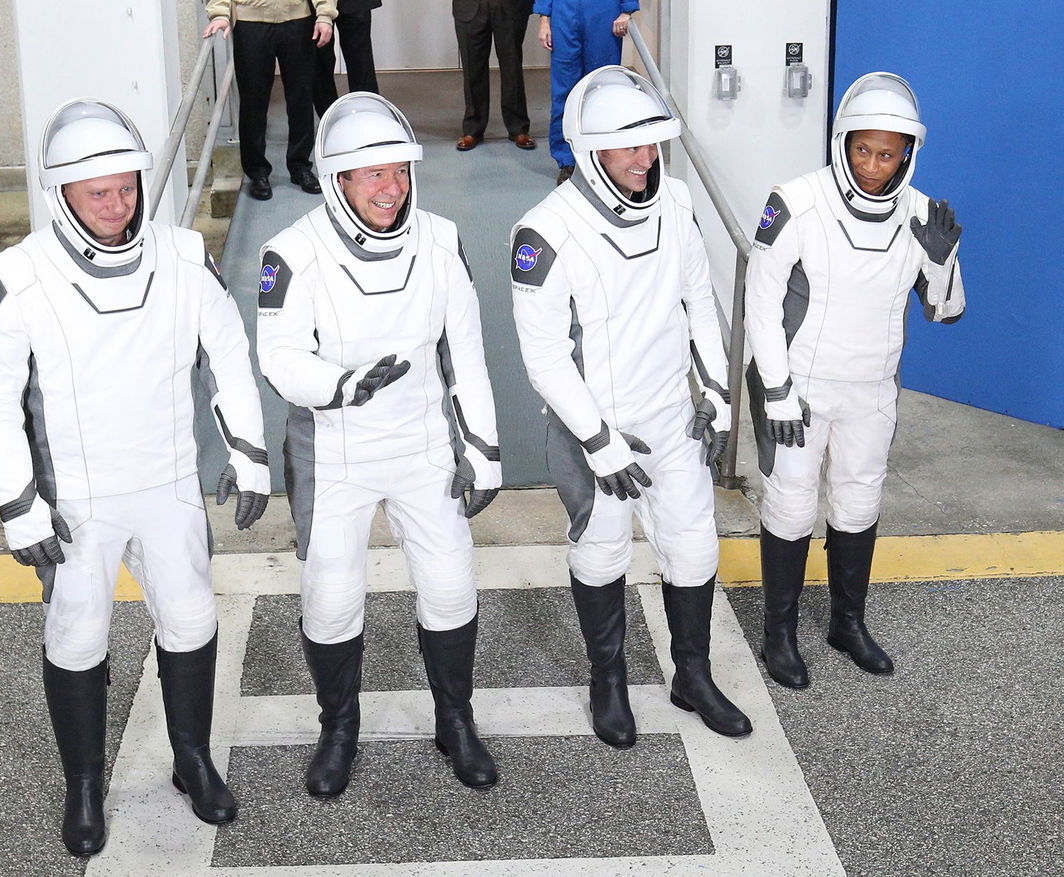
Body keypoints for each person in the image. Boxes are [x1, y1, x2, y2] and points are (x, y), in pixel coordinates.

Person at [0, 99, 270, 856]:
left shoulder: (183, 255)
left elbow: (226, 350)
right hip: (76, 502)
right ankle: (86, 784)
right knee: (77, 632)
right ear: (60, 192)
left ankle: (191, 760)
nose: (116, 202)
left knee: (192, 618)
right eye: (96, 191)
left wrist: (250, 449)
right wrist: (19, 505)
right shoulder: (14, 277)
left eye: (126, 185)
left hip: (166, 480)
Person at [255, 92, 503, 797]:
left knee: (452, 587)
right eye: (372, 175)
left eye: (398, 171)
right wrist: (344, 384)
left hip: (424, 443)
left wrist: (482, 447)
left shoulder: (443, 237)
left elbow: (468, 353)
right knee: (332, 598)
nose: (391, 189)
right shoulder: (291, 252)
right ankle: (339, 727)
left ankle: (455, 720)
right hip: (336, 450)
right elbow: (278, 357)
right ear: (337, 181)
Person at [510, 66, 752, 744]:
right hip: (600, 432)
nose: (647, 159)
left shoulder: (674, 200)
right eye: (631, 146)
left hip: (674, 414)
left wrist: (715, 392)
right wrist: (598, 439)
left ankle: (693, 675)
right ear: (591, 150)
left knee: (694, 545)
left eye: (653, 143)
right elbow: (545, 356)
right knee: (602, 551)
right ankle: (607, 680)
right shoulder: (543, 232)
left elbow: (698, 303)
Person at [745, 72, 965, 689]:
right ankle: (779, 633)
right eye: (861, 150)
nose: (872, 165)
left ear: (908, 154)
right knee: (789, 504)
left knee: (859, 500)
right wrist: (777, 388)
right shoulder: (795, 201)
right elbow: (760, 301)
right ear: (842, 144)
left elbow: (945, 310)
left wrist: (943, 262)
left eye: (887, 153)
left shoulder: (923, 214)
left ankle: (847, 621)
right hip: (802, 390)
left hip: (872, 390)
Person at [204, 0, 337, 200]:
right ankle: (257, 172)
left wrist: (325, 14)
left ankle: (300, 166)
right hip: (250, 21)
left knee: (301, 97)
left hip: (298, 19)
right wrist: (220, 13)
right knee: (253, 99)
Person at [534, 0, 637, 184]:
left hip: (603, 13)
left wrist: (627, 11)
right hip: (564, 14)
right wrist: (544, 19)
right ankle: (567, 161)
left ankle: (605, 157)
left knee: (604, 90)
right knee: (564, 93)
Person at [453, 0, 536, 152]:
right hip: (469, 6)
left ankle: (518, 127)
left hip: (510, 6)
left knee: (512, 66)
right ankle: (473, 128)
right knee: (472, 68)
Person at [313, 0, 381, 117]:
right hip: (314, 5)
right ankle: (329, 119)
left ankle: (368, 117)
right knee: (319, 63)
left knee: (361, 62)